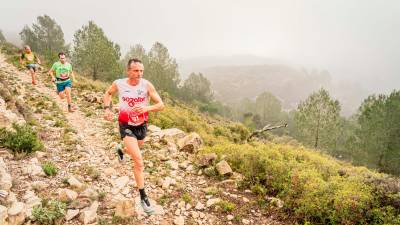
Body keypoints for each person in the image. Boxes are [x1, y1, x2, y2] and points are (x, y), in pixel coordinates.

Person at [103, 58, 165, 214]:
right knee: (138, 160)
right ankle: (143, 196)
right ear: (128, 71)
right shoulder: (119, 83)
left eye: (141, 71)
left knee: (135, 149)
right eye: (136, 71)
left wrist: (146, 108)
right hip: (126, 125)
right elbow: (108, 93)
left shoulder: (147, 85)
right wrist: (107, 109)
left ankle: (121, 150)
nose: (139, 74)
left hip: (141, 126)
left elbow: (161, 105)